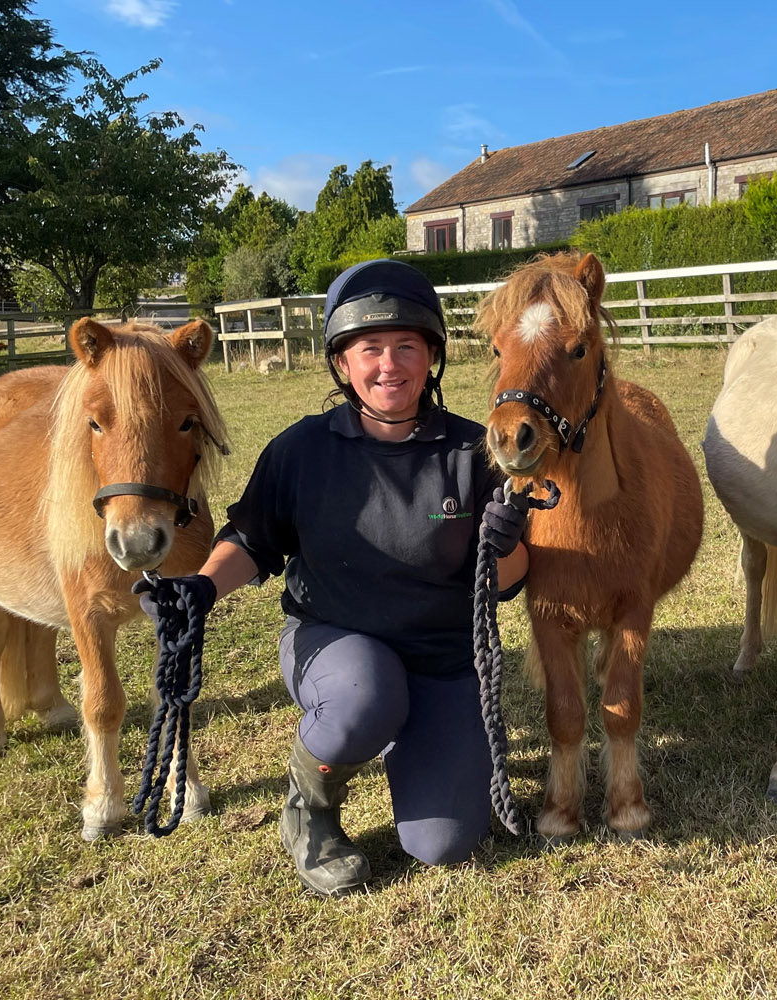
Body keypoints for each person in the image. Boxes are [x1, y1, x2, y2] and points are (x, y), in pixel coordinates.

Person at [136, 259, 530, 895]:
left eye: (407, 346)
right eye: (369, 349)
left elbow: (508, 580)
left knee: (444, 844)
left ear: (432, 356)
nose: (389, 366)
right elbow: (253, 538)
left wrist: (503, 542)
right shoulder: (301, 450)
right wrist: (201, 588)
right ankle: (310, 808)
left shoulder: (474, 451)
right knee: (364, 694)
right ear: (342, 364)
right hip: (336, 647)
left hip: (444, 658)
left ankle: (422, 745)